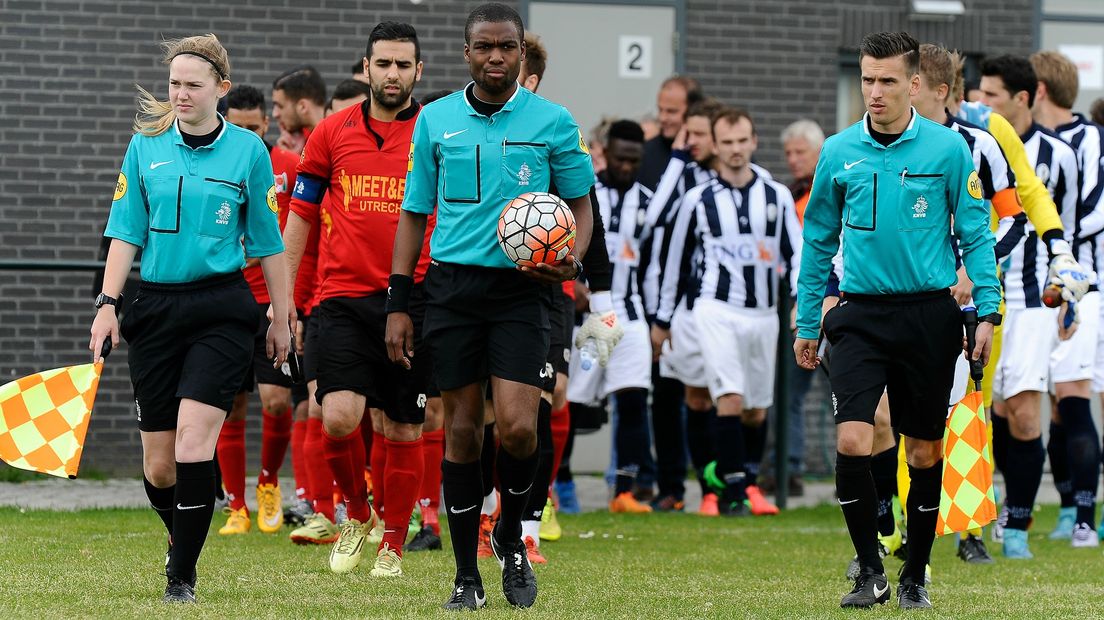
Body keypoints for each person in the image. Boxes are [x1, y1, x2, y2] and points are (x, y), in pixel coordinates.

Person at [386, 3, 599, 610]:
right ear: (467, 52)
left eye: (507, 47)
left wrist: (572, 260)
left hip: (523, 291)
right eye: (484, 47)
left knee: (517, 427)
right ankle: (465, 577)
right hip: (452, 290)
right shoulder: (434, 121)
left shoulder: (554, 122)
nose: (496, 57)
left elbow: (582, 206)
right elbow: (412, 215)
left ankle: (508, 532)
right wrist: (400, 303)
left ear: (521, 53)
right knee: (458, 429)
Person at [794, 32, 1000, 610]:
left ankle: (915, 573)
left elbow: (976, 234)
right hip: (858, 314)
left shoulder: (949, 150)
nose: (875, 92)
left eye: (887, 80)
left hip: (928, 316)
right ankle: (868, 570)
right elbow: (816, 244)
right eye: (866, 79)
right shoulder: (837, 152)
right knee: (854, 438)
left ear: (914, 84)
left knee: (923, 453)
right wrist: (807, 322)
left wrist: (987, 309)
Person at [89, 34, 290, 603]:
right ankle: (184, 542)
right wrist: (108, 305)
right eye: (174, 83)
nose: (180, 93)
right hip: (153, 307)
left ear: (220, 90)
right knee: (158, 467)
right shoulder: (144, 145)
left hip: (221, 310)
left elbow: (269, 242)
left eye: (193, 84)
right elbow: (125, 231)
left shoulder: (249, 153)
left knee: (194, 441)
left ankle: (181, 576)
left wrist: (282, 317)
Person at [283, 22, 434, 579]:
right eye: (383, 64)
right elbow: (300, 217)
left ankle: (393, 543)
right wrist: (288, 300)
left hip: (414, 299)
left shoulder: (435, 132)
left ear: (418, 72)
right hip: (341, 297)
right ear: (365, 69)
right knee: (338, 417)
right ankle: (355, 516)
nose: (392, 74)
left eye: (403, 65)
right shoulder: (329, 132)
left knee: (402, 427)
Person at [655, 107, 797, 518]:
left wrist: (802, 308)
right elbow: (675, 262)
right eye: (727, 143)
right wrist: (662, 321)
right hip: (715, 309)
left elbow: (799, 255)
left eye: (742, 141)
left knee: (756, 409)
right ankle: (733, 492)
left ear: (753, 142)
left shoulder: (776, 195)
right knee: (728, 396)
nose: (735, 150)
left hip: (764, 313)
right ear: (714, 146)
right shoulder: (697, 200)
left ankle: (745, 482)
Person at [214, 85, 306, 536]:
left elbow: (298, 235)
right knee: (229, 404)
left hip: (274, 303)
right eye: (239, 127)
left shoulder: (288, 167)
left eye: (256, 127)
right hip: (228, 303)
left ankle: (268, 483)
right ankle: (236, 504)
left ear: (267, 125)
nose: (248, 134)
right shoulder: (214, 165)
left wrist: (292, 303)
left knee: (275, 401)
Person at [1029, 50, 1104, 546]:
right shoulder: (1029, 144)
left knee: (1075, 398)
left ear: (1036, 90)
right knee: (1055, 404)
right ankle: (1066, 509)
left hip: (1083, 288)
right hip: (1046, 290)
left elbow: (1087, 217)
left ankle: (1084, 516)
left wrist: (1065, 265)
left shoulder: (1088, 141)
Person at [567, 120, 655, 515]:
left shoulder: (650, 202)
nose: (626, 166)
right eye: (620, 158)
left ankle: (624, 490)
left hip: (632, 316)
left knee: (634, 400)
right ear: (605, 152)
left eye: (634, 160)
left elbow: (657, 265)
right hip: (586, 316)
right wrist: (574, 289)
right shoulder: (583, 196)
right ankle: (561, 484)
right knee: (569, 403)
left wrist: (659, 321)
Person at [644, 98, 724, 514]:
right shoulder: (681, 174)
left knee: (714, 397)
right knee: (669, 394)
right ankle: (671, 486)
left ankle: (716, 484)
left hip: (713, 306)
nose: (689, 141)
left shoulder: (730, 182)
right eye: (686, 133)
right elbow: (653, 219)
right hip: (671, 306)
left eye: (697, 134)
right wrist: (676, 158)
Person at [762, 118, 826, 498]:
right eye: (788, 153)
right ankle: (786, 469)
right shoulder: (790, 195)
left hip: (834, 300)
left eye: (800, 151)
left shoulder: (832, 189)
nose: (792, 159)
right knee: (789, 391)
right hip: (798, 304)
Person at [638, 75, 704, 190]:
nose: (662, 118)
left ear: (693, 109)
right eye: (660, 110)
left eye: (671, 111)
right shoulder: (644, 154)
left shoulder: (709, 153)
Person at [272, 65, 326, 157]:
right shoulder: (299, 140)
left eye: (280, 106)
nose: (275, 114)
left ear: (302, 107)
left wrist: (291, 161)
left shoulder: (337, 140)